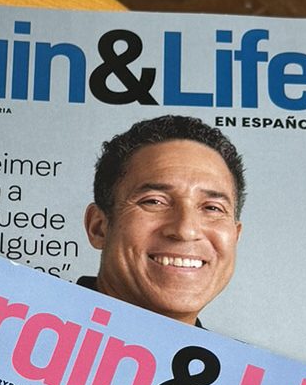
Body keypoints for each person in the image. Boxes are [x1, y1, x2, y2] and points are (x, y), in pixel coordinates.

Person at [80, 115, 245, 326]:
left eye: (212, 208)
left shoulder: (237, 360)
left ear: (235, 236)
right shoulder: (24, 335)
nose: (186, 230)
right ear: (98, 228)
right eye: (154, 202)